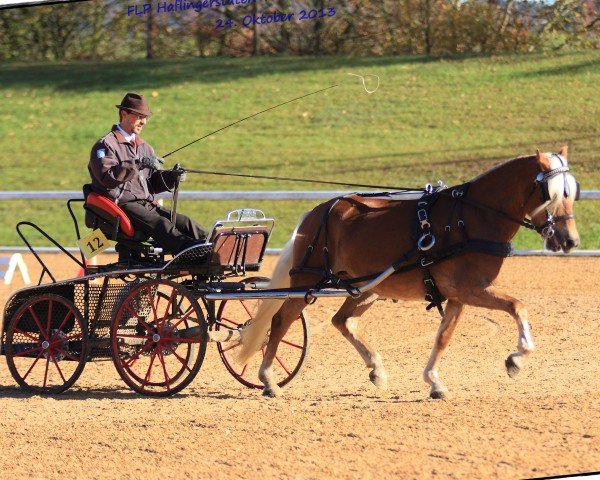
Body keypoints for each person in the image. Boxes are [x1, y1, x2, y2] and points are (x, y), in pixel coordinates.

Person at [87, 92, 207, 254]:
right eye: (139, 116)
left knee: (185, 222)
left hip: (146, 203)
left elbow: (150, 183)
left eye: (145, 117)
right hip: (122, 205)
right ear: (124, 113)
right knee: (160, 224)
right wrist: (138, 163)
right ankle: (189, 252)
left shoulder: (145, 147)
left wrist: (171, 177)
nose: (144, 121)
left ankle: (210, 246)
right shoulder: (105, 145)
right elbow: (107, 178)